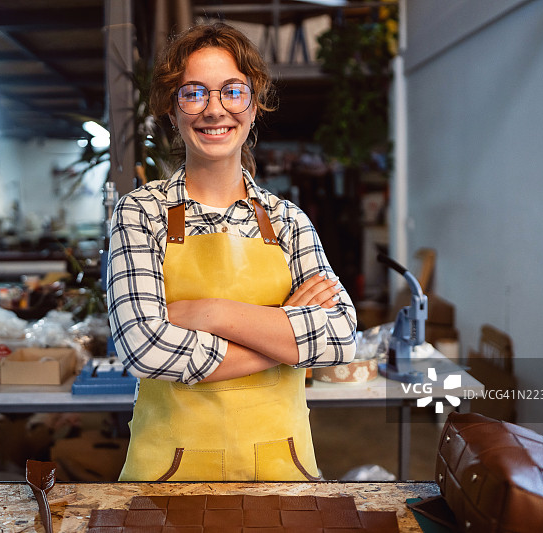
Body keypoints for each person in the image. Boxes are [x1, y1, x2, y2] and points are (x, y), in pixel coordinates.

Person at [106, 22, 357, 482]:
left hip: (284, 469)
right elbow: (143, 348)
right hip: (167, 475)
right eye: (194, 93)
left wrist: (211, 312)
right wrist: (282, 340)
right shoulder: (141, 213)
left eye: (232, 91)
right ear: (172, 107)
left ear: (255, 104)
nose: (214, 109)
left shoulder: (288, 220)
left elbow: (340, 339)